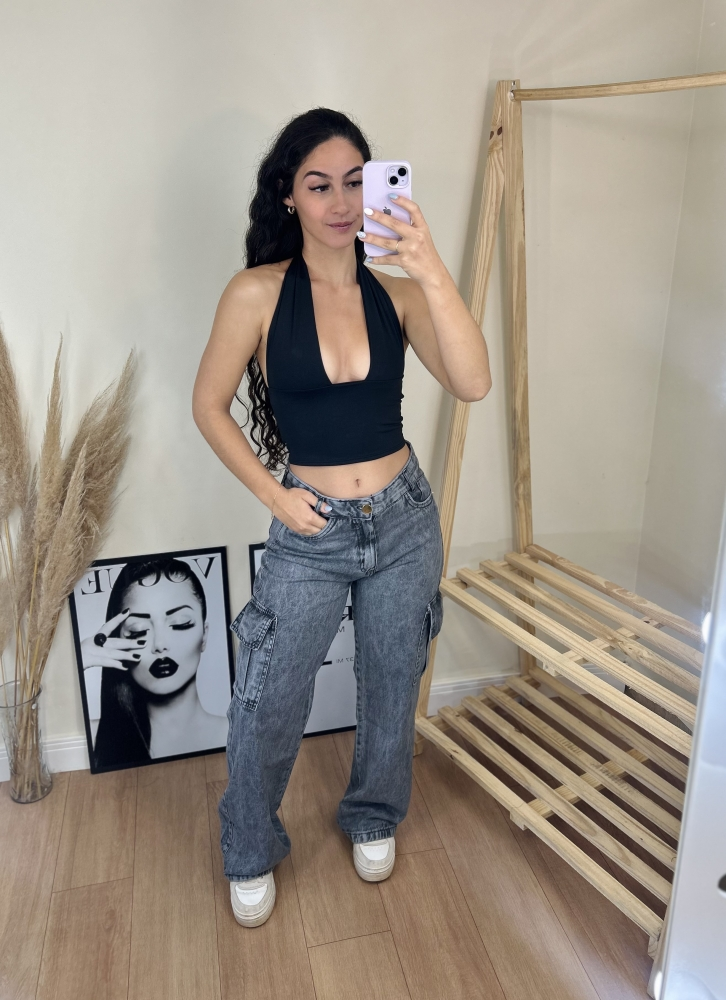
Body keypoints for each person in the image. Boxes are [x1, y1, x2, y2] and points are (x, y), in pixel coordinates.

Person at [192, 108, 491, 927]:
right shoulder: (256, 293)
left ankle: (373, 813)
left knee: (393, 682)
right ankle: (249, 843)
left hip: (403, 521)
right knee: (269, 697)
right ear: (288, 195)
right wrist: (275, 495)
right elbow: (209, 406)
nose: (341, 201)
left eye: (356, 182)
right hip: (310, 529)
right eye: (319, 185)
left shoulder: (396, 291)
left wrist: (430, 267)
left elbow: (473, 382)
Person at [82, 556, 227, 770]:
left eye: (180, 624)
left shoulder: (233, 734)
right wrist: (82, 658)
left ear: (204, 635)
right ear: (118, 640)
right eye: (138, 630)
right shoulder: (96, 739)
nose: (159, 645)